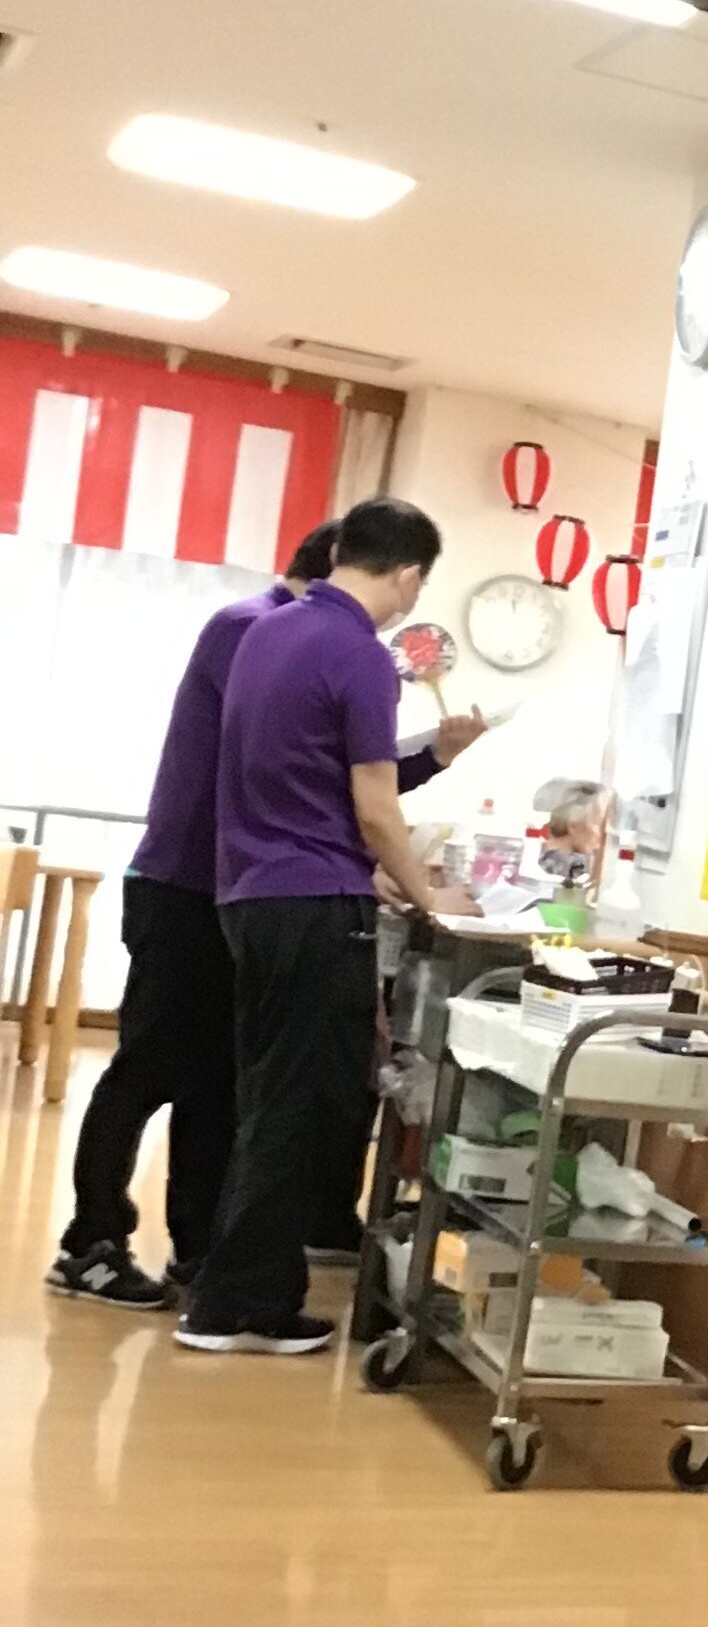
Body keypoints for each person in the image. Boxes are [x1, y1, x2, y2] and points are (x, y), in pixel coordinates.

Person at [50, 521, 482, 1310]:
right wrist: (376, 864)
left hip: (235, 885)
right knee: (151, 1068)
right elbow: (284, 772)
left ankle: (199, 1247)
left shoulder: (285, 631)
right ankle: (91, 1240)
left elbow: (312, 770)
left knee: (221, 1080)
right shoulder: (254, 629)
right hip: (185, 884)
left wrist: (423, 769)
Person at [177, 498, 468, 1360]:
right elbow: (373, 806)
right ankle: (238, 1306)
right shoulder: (361, 655)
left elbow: (291, 776)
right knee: (304, 1105)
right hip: (314, 902)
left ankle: (243, 1292)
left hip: (248, 894)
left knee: (269, 1096)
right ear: (409, 576)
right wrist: (427, 896)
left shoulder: (267, 631)